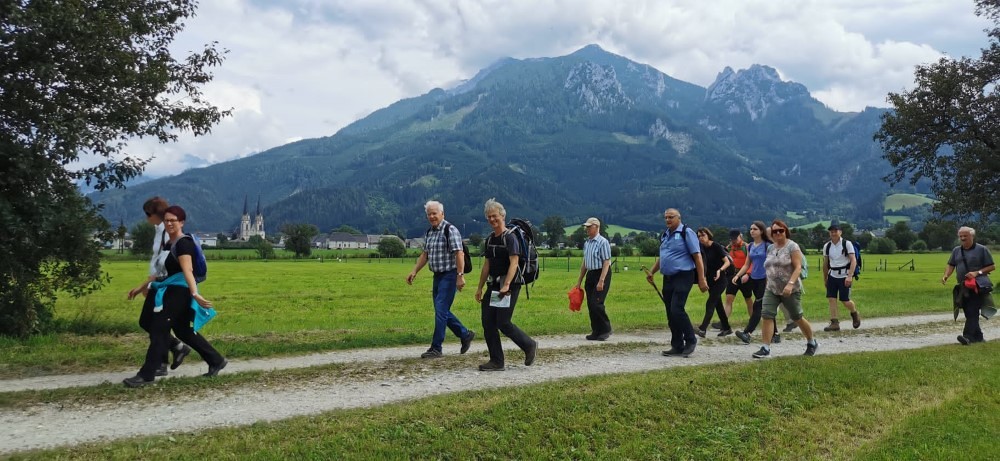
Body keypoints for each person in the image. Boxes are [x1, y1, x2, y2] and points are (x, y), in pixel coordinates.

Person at [123, 206, 227, 387]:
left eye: (173, 220)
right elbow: (160, 272)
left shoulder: (184, 244)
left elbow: (188, 270)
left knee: (159, 329)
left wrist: (195, 294)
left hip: (178, 292)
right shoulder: (168, 244)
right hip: (162, 288)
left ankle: (147, 374)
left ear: (182, 222)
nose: (169, 223)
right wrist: (141, 287)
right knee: (158, 324)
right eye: (167, 220)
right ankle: (214, 359)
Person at [126, 197, 190, 376]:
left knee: (154, 323)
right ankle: (170, 354)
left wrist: (147, 285)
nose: (146, 218)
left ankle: (162, 361)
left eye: (148, 214)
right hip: (157, 282)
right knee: (154, 323)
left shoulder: (166, 232)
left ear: (157, 214)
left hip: (163, 283)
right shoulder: (159, 230)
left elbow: (163, 263)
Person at [474, 198, 537, 371]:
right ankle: (497, 361)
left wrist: (507, 284)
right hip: (493, 285)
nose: (492, 219)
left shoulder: (510, 238)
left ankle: (529, 345)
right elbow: (486, 265)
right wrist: (479, 287)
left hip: (509, 285)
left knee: (503, 322)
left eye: (495, 216)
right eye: (489, 217)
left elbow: (514, 262)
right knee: (488, 322)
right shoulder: (489, 239)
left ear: (502, 215)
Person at [406, 200, 476, 358]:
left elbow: (459, 253)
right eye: (429, 214)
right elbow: (425, 254)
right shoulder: (429, 232)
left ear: (442, 214)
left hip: (450, 275)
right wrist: (414, 271)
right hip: (437, 276)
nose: (431, 216)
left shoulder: (450, 230)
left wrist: (460, 276)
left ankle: (436, 347)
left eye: (434, 213)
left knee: (441, 311)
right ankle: (465, 334)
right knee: (441, 311)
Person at [750, 220, 818, 358]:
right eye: (774, 231)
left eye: (780, 230)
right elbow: (769, 267)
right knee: (767, 315)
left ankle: (812, 342)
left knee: (797, 317)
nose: (777, 233)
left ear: (786, 231)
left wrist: (790, 284)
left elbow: (798, 267)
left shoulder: (792, 247)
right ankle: (765, 348)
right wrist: (767, 284)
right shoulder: (770, 248)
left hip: (790, 289)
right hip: (772, 288)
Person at [646, 208, 708, 358]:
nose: (668, 220)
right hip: (668, 277)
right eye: (666, 217)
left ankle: (691, 340)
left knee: (677, 309)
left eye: (671, 217)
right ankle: (677, 345)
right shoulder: (665, 235)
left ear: (678, 218)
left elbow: (697, 256)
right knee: (670, 312)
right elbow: (663, 257)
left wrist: (701, 279)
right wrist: (652, 271)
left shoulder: (687, 232)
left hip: (683, 275)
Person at [941, 226, 995, 345]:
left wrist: (977, 272)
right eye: (960, 236)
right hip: (963, 287)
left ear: (972, 236)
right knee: (968, 311)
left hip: (977, 286)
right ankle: (979, 337)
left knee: (972, 311)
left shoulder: (982, 249)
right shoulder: (956, 250)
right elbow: (951, 265)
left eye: (965, 236)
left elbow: (992, 266)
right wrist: (946, 275)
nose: (962, 238)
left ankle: (967, 337)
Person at [732, 221, 781, 344]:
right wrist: (738, 275)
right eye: (751, 229)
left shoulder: (768, 246)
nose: (752, 231)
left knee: (757, 306)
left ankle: (747, 333)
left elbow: (773, 264)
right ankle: (775, 334)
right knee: (765, 306)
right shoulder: (750, 246)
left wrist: (769, 280)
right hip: (755, 279)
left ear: (761, 231)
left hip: (766, 280)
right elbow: (747, 264)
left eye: (755, 229)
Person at [574, 217, 613, 341]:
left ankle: (606, 329)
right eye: (586, 227)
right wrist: (579, 281)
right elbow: (585, 263)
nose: (587, 229)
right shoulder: (587, 243)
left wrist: (601, 281)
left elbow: (606, 262)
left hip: (602, 273)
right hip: (591, 274)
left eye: (589, 227)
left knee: (597, 303)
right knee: (591, 304)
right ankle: (596, 331)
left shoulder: (603, 242)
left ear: (596, 227)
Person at [821, 222, 861, 331]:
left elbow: (853, 260)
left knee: (845, 300)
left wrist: (850, 276)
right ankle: (834, 323)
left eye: (835, 231)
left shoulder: (847, 244)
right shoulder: (827, 246)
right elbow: (825, 263)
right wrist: (825, 278)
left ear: (840, 232)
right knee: (831, 299)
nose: (833, 233)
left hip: (845, 275)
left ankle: (854, 313)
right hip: (832, 275)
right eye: (831, 231)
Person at [695, 228, 732, 337]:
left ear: (708, 235)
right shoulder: (700, 248)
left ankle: (702, 329)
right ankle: (727, 328)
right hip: (710, 281)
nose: (701, 238)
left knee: (710, 303)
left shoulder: (715, 246)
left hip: (721, 280)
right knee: (718, 305)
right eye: (699, 236)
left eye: (703, 235)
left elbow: (727, 262)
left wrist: (720, 270)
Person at [722, 228, 753, 329]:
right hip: (732, 276)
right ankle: (724, 322)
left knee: (748, 298)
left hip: (744, 276)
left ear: (741, 236)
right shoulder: (728, 248)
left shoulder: (747, 247)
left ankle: (753, 320)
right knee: (729, 299)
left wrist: (748, 274)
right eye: (732, 239)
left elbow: (751, 262)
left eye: (735, 238)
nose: (734, 240)